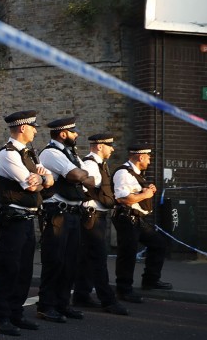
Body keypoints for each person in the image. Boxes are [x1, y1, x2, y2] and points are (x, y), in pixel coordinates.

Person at [0, 110, 54, 336]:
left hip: (27, 218)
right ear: (23, 128)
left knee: (24, 269)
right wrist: (42, 180)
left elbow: (49, 179)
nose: (36, 130)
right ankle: (0, 317)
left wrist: (43, 179)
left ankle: (16, 312)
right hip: (13, 218)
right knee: (9, 268)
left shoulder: (30, 154)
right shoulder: (8, 155)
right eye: (33, 127)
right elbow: (30, 185)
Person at [36, 116, 93, 323]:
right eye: (73, 131)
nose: (76, 134)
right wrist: (80, 175)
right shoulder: (51, 153)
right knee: (55, 261)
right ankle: (46, 305)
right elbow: (77, 176)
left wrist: (80, 174)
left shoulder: (72, 153)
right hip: (57, 213)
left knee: (70, 262)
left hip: (73, 213)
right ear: (63, 134)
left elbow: (91, 180)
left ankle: (62, 303)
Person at [73, 133, 128, 315]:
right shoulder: (90, 164)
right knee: (98, 259)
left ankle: (81, 295)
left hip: (96, 216)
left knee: (87, 259)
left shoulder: (99, 164)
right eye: (109, 145)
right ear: (99, 146)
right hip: (92, 217)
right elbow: (82, 186)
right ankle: (108, 301)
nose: (112, 149)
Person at [112, 143, 171, 302]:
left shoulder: (135, 173)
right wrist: (146, 194)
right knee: (128, 253)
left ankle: (150, 280)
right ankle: (124, 290)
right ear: (140, 157)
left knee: (158, 244)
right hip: (126, 218)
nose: (150, 161)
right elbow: (123, 198)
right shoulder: (123, 173)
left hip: (137, 219)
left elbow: (136, 192)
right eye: (148, 157)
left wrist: (146, 188)